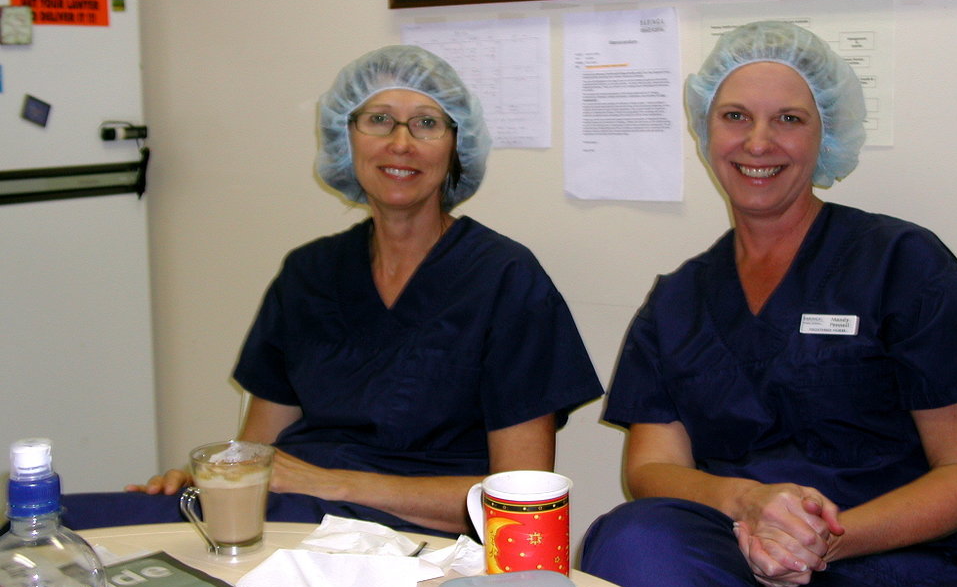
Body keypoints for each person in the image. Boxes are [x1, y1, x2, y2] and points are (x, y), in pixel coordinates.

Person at [63, 45, 603, 537]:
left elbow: (522, 503)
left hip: (402, 542)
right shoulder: (308, 273)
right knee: (68, 527)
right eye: (379, 120)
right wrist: (217, 479)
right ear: (346, 139)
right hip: (287, 515)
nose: (400, 142)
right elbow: (260, 451)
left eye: (426, 123)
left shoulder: (506, 279)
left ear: (457, 147)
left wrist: (330, 484)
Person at [579, 21, 957, 587]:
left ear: (825, 131)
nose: (758, 142)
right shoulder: (677, 300)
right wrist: (747, 503)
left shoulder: (900, 262)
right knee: (630, 537)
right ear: (705, 132)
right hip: (735, 545)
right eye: (735, 116)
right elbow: (651, 468)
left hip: (892, 559)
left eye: (788, 119)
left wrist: (821, 539)